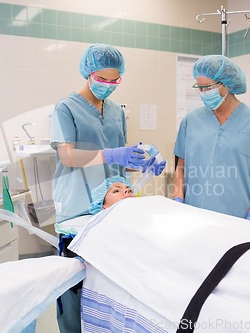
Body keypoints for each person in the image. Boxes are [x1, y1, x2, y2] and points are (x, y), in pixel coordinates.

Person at [50, 43, 165, 333]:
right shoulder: (66, 108)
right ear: (88, 74)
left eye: (115, 81)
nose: (108, 86)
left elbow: (119, 161)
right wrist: (113, 154)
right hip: (78, 205)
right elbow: (67, 156)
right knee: (74, 285)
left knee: (107, 284)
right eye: (102, 80)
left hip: (112, 210)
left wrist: (143, 165)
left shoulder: (116, 111)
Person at [172, 54, 250, 225]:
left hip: (239, 219)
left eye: (208, 87)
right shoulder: (191, 121)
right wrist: (178, 198)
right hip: (195, 217)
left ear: (226, 84)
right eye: (199, 87)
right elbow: (181, 168)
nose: (203, 93)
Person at [90, 176, 250, 245]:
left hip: (188, 229)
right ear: (104, 206)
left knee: (220, 228)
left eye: (128, 188)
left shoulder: (149, 205)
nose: (126, 190)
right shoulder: (110, 225)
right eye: (117, 190)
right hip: (176, 242)